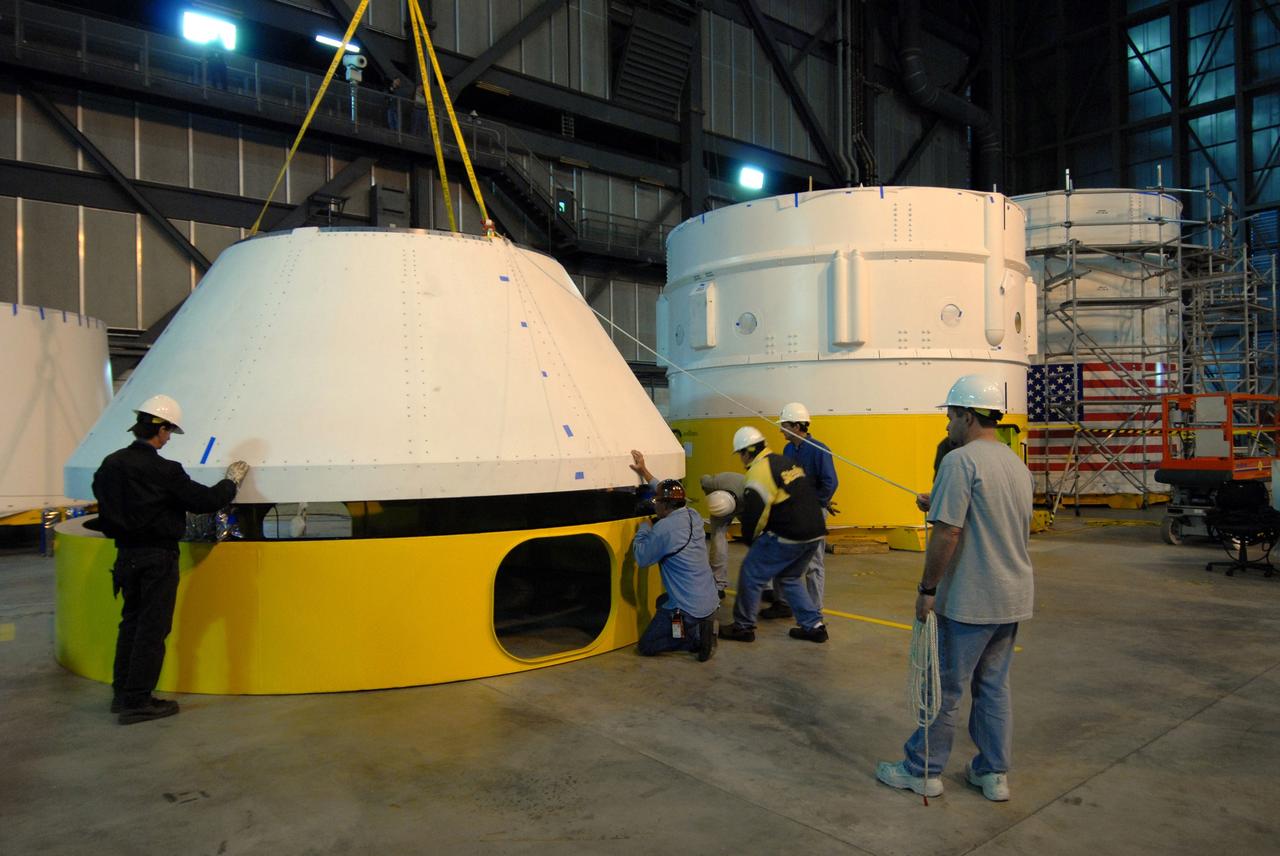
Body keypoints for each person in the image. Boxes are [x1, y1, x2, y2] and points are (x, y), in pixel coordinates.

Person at [876, 374, 1034, 802]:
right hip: (1013, 597)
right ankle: (992, 773)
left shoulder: (960, 462)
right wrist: (940, 499)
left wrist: (927, 588)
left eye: (950, 416)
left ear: (966, 415)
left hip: (970, 599)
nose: (947, 425)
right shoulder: (1016, 464)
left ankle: (921, 770)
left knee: (944, 689)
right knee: (993, 687)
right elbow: (995, 518)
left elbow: (948, 533)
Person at [92, 394, 250, 725]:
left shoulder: (110, 464)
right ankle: (138, 701)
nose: (168, 438)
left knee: (131, 625)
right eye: (169, 432)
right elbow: (204, 500)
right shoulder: (165, 470)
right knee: (152, 629)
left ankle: (123, 695)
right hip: (157, 558)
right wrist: (230, 482)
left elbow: (103, 502)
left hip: (125, 557)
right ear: (160, 429)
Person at [718, 426, 828, 644]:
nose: (741, 459)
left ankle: (743, 627)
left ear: (747, 452)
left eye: (740, 454)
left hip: (790, 533)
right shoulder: (785, 462)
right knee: (789, 577)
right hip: (815, 532)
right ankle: (814, 626)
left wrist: (750, 540)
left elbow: (756, 512)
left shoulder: (758, 471)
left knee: (751, 572)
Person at [628, 451, 719, 661]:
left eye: (656, 501)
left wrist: (644, 528)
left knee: (647, 645)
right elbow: (668, 492)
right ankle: (699, 628)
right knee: (663, 601)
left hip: (688, 607)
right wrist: (645, 472)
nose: (654, 504)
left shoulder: (664, 529)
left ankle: (690, 640)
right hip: (709, 598)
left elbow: (641, 558)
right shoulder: (692, 515)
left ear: (665, 506)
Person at [761, 401, 838, 619]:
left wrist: (819, 502)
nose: (780, 429)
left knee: (813, 563)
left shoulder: (820, 450)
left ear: (796, 426)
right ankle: (783, 603)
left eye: (784, 424)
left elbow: (830, 482)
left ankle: (815, 611)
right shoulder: (788, 449)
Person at [699, 471, 745, 599]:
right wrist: (708, 494)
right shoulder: (711, 483)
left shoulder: (748, 491)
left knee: (758, 541)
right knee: (718, 541)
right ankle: (718, 584)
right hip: (720, 499)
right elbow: (703, 477)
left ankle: (766, 586)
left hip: (745, 505)